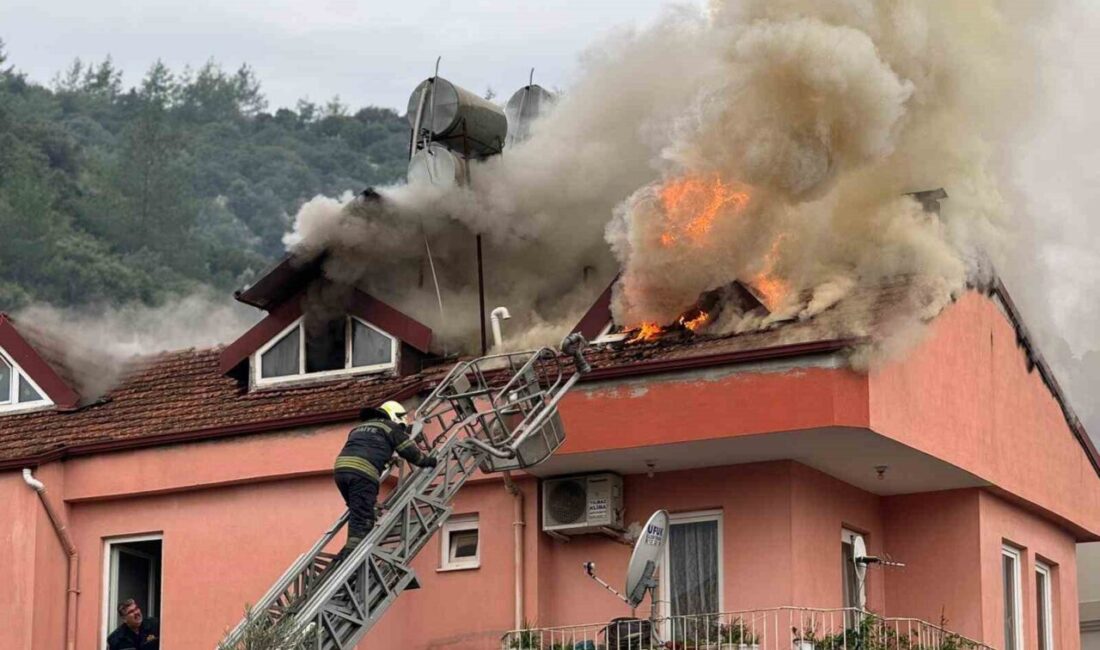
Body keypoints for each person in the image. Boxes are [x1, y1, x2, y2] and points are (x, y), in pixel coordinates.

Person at [333, 400, 437, 559]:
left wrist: (386, 459)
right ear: (396, 417)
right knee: (364, 519)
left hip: (341, 471)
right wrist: (428, 461)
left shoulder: (358, 428)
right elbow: (409, 452)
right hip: (363, 473)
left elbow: (369, 448)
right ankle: (351, 558)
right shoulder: (391, 427)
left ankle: (348, 550)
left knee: (358, 511)